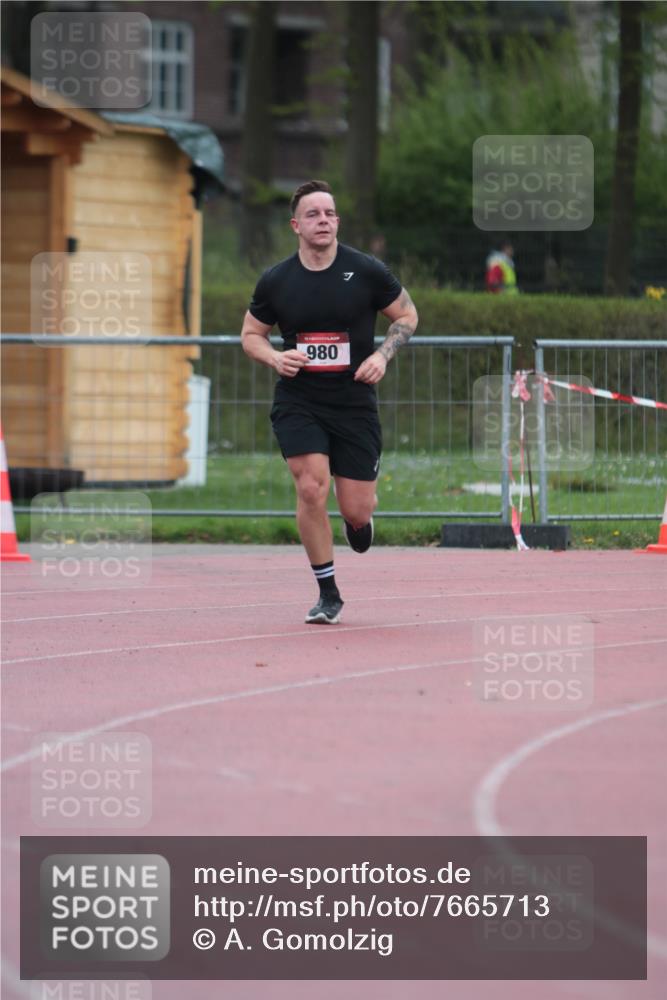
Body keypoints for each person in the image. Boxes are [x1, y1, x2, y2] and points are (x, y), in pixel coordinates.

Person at [241, 179, 418, 624]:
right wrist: (275, 357)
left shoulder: (366, 270)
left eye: (330, 213)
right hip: (299, 400)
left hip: (354, 402)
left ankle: (359, 522)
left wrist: (382, 354)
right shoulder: (277, 280)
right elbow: (251, 335)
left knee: (355, 507)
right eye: (314, 214)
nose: (324, 220)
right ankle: (328, 592)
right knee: (310, 487)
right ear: (295, 224)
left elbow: (408, 315)